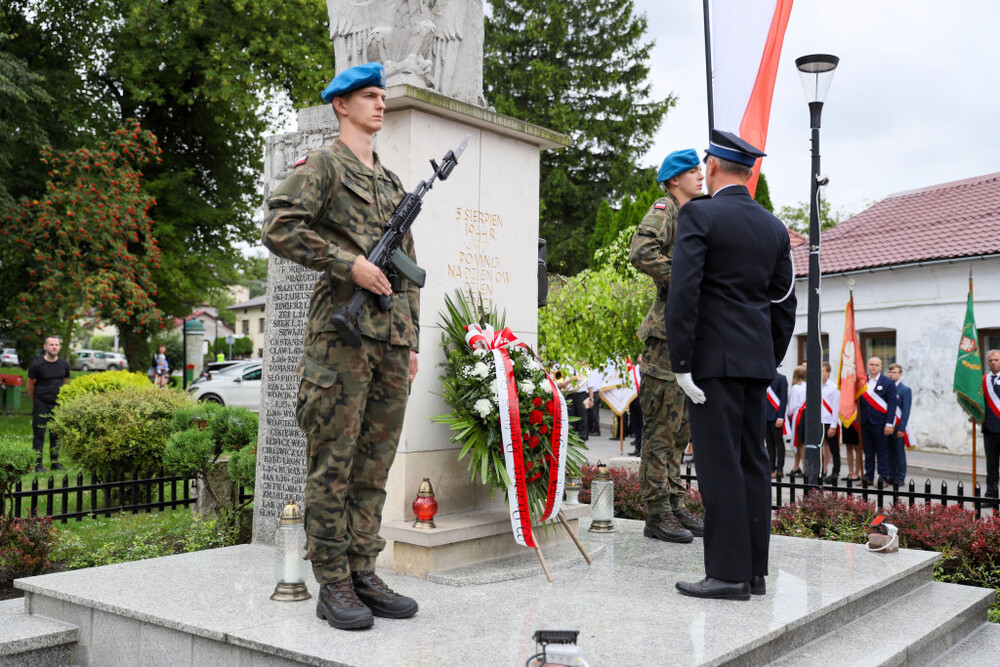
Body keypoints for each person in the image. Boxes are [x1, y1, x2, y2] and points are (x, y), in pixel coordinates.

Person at [261, 62, 420, 631]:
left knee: (375, 465)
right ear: (341, 106)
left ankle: (363, 568)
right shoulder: (323, 165)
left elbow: (406, 270)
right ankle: (331, 579)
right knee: (334, 460)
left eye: (382, 96)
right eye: (369, 97)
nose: (380, 104)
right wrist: (346, 262)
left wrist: (412, 339)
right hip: (340, 340)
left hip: (391, 342)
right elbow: (278, 225)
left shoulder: (393, 183)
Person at [665, 130, 796, 601]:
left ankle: (726, 574)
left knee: (720, 467)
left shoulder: (699, 214)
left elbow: (685, 292)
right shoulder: (774, 227)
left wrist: (681, 362)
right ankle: (754, 572)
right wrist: (768, 355)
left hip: (712, 365)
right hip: (755, 364)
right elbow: (783, 301)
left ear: (714, 167)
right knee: (753, 464)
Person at [628, 147, 706, 544]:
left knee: (680, 431)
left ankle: (675, 503)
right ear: (674, 179)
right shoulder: (666, 208)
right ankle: (657, 513)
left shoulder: (692, 213)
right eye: (692, 171)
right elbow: (640, 252)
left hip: (686, 336)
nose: (701, 175)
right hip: (663, 339)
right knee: (661, 429)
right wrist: (682, 279)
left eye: (700, 169)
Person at [26, 335, 71, 472]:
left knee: (55, 434)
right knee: (39, 434)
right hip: (41, 404)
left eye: (56, 345)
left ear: (59, 347)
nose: (54, 347)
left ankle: (55, 463)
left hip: (57, 404)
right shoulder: (36, 365)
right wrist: (37, 400)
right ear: (45, 347)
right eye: (51, 344)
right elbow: (30, 386)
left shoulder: (64, 364)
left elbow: (64, 382)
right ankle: (38, 465)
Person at [859, 356, 897, 485]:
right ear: (868, 366)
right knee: (868, 451)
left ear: (881, 367)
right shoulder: (862, 382)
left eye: (876, 365)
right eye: (871, 364)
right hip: (865, 422)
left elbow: (892, 405)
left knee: (882, 451)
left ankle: (883, 477)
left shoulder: (888, 382)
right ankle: (868, 477)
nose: (874, 367)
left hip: (880, 423)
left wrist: (889, 424)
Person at [887, 362, 911, 486]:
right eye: (890, 372)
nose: (891, 375)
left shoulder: (905, 390)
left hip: (898, 426)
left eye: (894, 372)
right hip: (888, 426)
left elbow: (906, 411)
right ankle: (891, 474)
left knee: (899, 452)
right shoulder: (886, 388)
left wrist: (901, 428)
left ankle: (900, 476)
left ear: (900, 374)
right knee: (889, 452)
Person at [983, 350, 1000, 506]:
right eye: (990, 360)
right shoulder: (984, 380)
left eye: (996, 360)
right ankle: (991, 495)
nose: (993, 362)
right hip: (989, 428)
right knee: (992, 465)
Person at [764, 368, 788, 479]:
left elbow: (783, 400)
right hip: (765, 416)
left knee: (779, 443)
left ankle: (779, 469)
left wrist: (780, 417)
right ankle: (770, 467)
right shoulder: (764, 379)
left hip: (776, 416)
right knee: (769, 444)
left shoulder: (781, 379)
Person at [820, 361, 841, 485]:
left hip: (829, 422)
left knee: (834, 449)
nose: (821, 373)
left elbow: (836, 408)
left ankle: (835, 472)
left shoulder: (833, 387)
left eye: (823, 371)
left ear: (828, 372)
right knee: (819, 448)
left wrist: (833, 425)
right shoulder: (816, 386)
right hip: (819, 422)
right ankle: (821, 471)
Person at [786, 365, 806, 475]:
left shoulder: (796, 388)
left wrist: (788, 414)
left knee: (800, 442)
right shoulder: (808, 386)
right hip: (807, 414)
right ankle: (796, 466)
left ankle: (804, 468)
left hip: (799, 415)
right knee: (801, 442)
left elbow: (792, 405)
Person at [586, 366, 603, 437]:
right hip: (596, 392)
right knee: (593, 412)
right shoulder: (599, 369)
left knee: (593, 413)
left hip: (593, 392)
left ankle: (596, 430)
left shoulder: (591, 370)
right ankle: (592, 429)